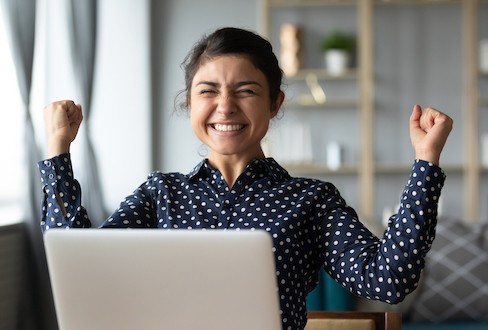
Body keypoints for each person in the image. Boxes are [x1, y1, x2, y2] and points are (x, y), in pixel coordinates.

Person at [38, 27, 453, 330]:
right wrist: (58, 151)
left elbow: (390, 279)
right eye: (208, 90)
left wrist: (426, 161)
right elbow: (83, 270)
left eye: (246, 90)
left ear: (275, 103)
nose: (225, 106)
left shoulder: (311, 199)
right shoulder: (159, 193)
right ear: (189, 104)